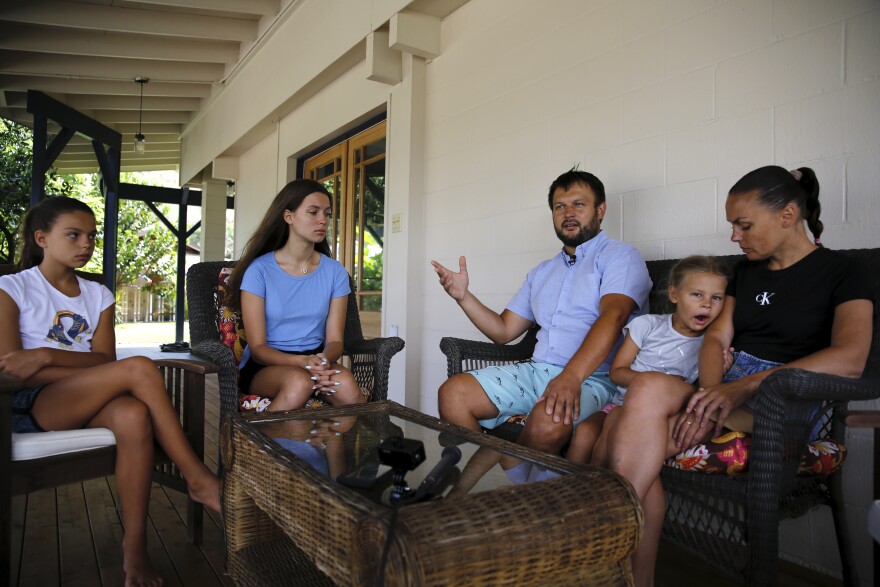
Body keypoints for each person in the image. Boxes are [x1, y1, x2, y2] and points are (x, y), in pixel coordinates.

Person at [597, 166, 873, 587]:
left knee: (628, 437)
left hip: (788, 399)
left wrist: (741, 387)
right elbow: (715, 340)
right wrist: (713, 392)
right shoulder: (747, 271)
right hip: (722, 387)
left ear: (786, 215)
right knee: (647, 390)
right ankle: (637, 577)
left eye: (743, 225)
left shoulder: (844, 271)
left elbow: (850, 357)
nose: (734, 237)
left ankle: (610, 555)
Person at [0, 196, 220, 587]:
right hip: (28, 405)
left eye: (91, 236)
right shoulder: (12, 288)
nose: (86, 243)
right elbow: (12, 373)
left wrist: (44, 356)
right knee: (138, 367)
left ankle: (134, 549)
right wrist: (50, 367)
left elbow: (103, 360)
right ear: (42, 238)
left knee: (133, 415)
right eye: (73, 234)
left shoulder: (97, 294)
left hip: (82, 395)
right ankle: (197, 477)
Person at [432, 168, 652, 454]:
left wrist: (570, 377)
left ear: (601, 210)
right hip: (538, 372)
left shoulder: (620, 256)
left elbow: (614, 317)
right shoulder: (542, 272)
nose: (568, 213)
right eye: (560, 206)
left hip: (595, 379)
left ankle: (516, 492)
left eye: (579, 204)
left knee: (549, 420)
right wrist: (463, 297)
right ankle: (488, 485)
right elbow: (503, 331)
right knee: (453, 395)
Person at [567, 255, 729, 465]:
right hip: (619, 403)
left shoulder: (710, 346)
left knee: (611, 434)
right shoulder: (647, 325)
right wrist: (652, 382)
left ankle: (598, 490)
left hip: (657, 414)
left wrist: (724, 366)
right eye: (697, 295)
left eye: (716, 298)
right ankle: (566, 489)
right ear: (674, 294)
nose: (707, 304)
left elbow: (701, 389)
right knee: (584, 432)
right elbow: (617, 372)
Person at [226, 179, 365, 411]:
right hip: (267, 366)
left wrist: (321, 361)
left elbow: (334, 341)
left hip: (316, 361)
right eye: (313, 212)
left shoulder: (336, 272)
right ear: (288, 217)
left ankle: (336, 445)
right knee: (299, 383)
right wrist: (301, 364)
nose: (323, 220)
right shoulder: (259, 271)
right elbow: (258, 348)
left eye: (327, 214)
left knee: (348, 387)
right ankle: (258, 446)